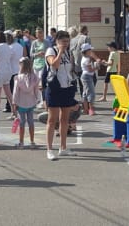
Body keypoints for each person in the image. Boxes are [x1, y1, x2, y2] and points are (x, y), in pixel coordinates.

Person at [44, 30, 78, 160]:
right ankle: (49, 149)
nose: (66, 44)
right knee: (52, 120)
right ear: (57, 41)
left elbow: (70, 70)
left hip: (67, 87)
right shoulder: (51, 51)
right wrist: (60, 51)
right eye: (63, 41)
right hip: (54, 88)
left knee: (65, 119)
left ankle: (63, 147)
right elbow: (54, 64)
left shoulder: (69, 53)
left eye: (67, 41)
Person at [12, 57, 40, 148]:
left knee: (22, 123)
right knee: (31, 122)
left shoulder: (18, 78)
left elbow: (16, 92)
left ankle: (21, 142)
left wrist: (14, 103)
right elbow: (36, 90)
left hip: (21, 103)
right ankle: (32, 142)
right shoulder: (34, 77)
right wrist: (37, 99)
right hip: (31, 102)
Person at [4, 30, 25, 115]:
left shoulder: (10, 47)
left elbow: (7, 59)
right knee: (17, 90)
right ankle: (17, 106)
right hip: (19, 70)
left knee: (11, 91)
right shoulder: (19, 46)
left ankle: (11, 107)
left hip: (11, 71)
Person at [30, 28, 49, 108]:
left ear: (43, 33)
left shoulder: (46, 42)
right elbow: (31, 54)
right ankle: (36, 100)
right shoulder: (34, 43)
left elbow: (49, 52)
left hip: (43, 64)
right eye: (37, 33)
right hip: (36, 64)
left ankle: (42, 100)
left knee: (42, 83)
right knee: (35, 83)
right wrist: (37, 54)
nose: (39, 35)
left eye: (40, 33)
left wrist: (44, 54)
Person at [80, 43, 100, 115]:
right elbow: (90, 70)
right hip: (87, 76)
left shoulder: (85, 58)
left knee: (85, 93)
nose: (91, 51)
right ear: (87, 51)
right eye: (90, 50)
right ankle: (91, 109)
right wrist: (97, 68)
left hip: (85, 76)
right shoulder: (87, 59)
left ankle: (86, 110)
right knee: (91, 93)